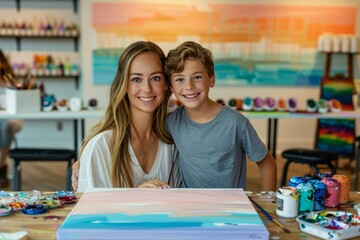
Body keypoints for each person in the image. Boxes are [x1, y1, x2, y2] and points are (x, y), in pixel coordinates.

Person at [164, 41, 277, 191]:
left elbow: (267, 164)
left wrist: (267, 203)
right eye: (179, 79)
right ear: (171, 87)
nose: (189, 86)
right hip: (190, 208)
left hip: (229, 209)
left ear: (211, 79)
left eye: (197, 77)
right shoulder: (172, 122)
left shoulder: (236, 123)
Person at [75, 41, 180, 192]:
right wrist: (135, 196)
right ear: (124, 85)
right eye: (136, 79)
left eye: (155, 78)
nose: (147, 89)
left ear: (166, 84)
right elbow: (89, 212)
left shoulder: (174, 141)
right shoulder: (100, 146)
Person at [0, 49, 24, 187]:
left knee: (6, 126)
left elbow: (18, 99)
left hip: (12, 118)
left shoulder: (10, 79)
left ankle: (1, 165)